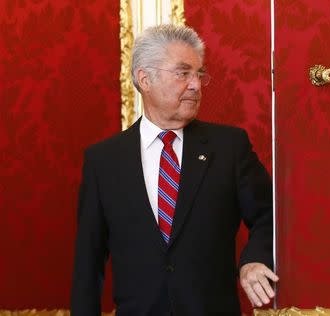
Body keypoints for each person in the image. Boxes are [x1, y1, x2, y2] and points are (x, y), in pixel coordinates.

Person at [71, 24, 278, 316]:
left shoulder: (229, 147)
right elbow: (88, 264)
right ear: (145, 79)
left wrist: (255, 258)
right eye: (183, 73)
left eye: (199, 74)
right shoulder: (103, 161)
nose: (195, 84)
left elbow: (271, 213)